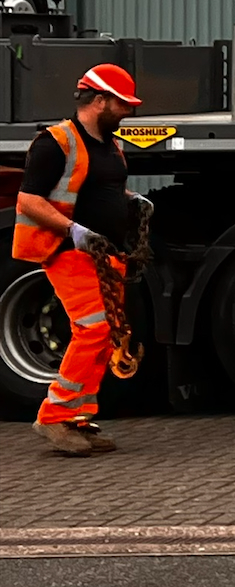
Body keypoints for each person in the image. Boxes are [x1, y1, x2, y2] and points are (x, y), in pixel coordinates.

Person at [15, 63, 142, 456]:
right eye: (122, 104)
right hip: (68, 251)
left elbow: (101, 189)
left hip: (105, 254)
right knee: (94, 328)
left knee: (104, 336)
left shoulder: (109, 143)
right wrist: (73, 230)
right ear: (99, 100)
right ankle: (54, 416)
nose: (128, 112)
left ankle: (78, 417)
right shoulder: (55, 142)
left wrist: (132, 202)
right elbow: (28, 199)